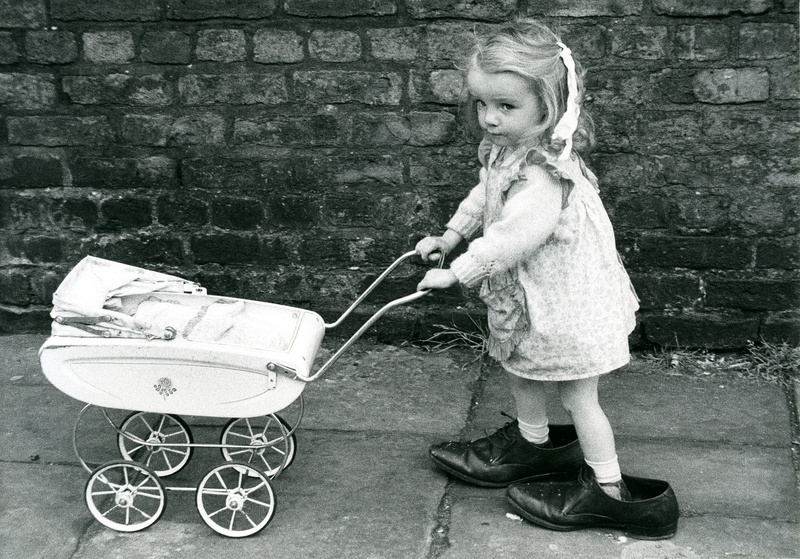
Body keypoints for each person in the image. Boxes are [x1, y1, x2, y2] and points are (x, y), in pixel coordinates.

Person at [415, 19, 679, 540]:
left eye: (505, 107)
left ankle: (612, 493)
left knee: (580, 397)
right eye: (481, 104)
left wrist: (460, 270)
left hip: (568, 306)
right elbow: (484, 196)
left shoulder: (541, 174)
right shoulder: (506, 151)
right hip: (537, 298)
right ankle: (533, 445)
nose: (489, 118)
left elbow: (515, 235)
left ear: (549, 104)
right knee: (520, 367)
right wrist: (450, 235)